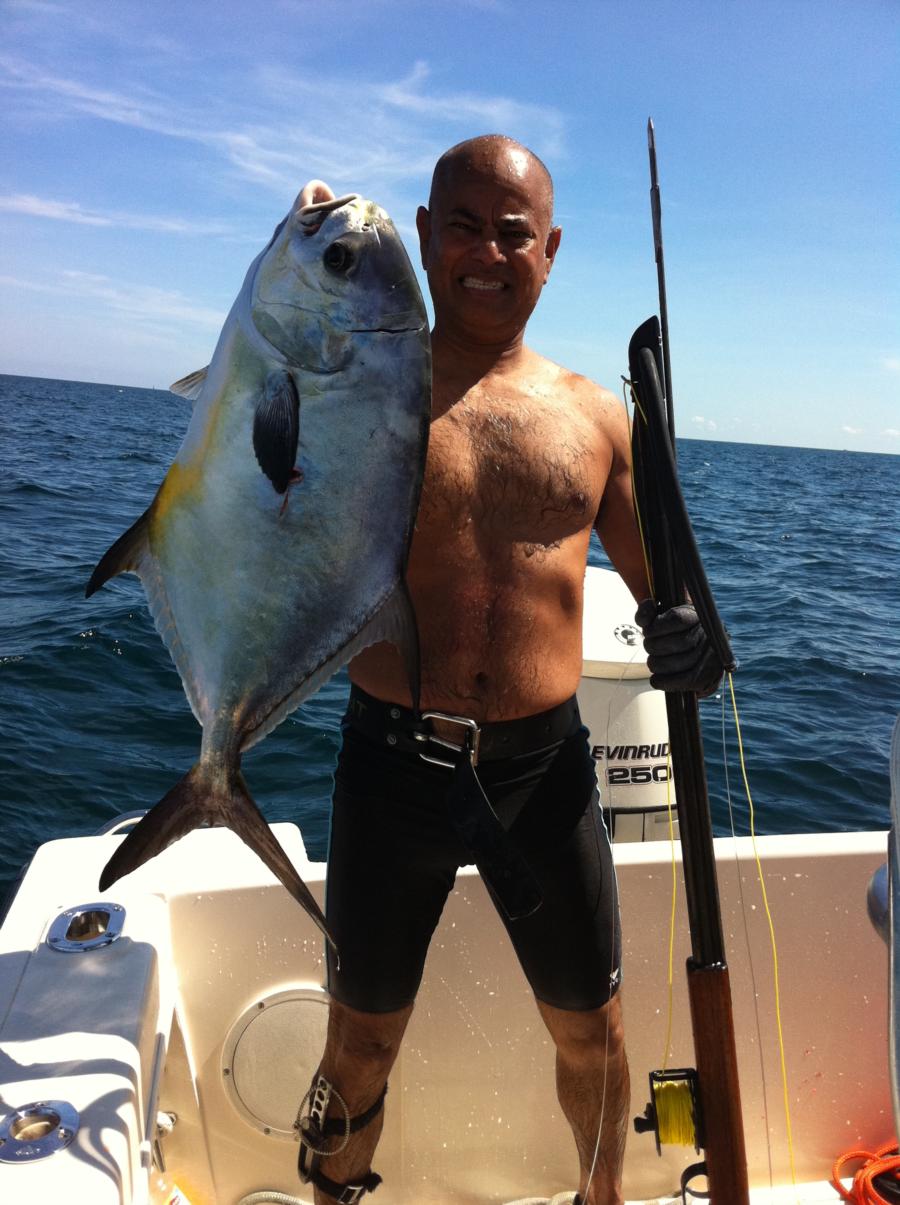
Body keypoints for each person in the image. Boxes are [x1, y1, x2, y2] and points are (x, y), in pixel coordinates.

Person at [294, 136, 719, 1205]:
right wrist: (308, 234)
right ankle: (331, 1193)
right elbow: (278, 359)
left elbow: (680, 600)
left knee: (594, 1034)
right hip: (388, 767)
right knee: (358, 1043)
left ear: (552, 250)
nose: (489, 251)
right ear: (429, 239)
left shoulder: (597, 419)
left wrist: (700, 647)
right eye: (465, 226)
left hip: (547, 775)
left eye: (514, 231)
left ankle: (601, 1197)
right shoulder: (360, 385)